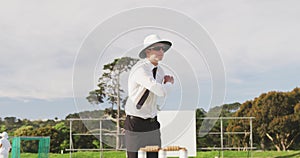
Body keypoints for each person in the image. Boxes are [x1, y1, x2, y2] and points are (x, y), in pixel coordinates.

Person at [124, 34, 174, 158]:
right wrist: (169, 84)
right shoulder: (139, 69)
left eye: (163, 49)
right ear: (148, 51)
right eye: (157, 48)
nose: (161, 51)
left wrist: (165, 85)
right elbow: (160, 91)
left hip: (152, 122)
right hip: (135, 122)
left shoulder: (160, 71)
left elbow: (162, 93)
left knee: (154, 156)